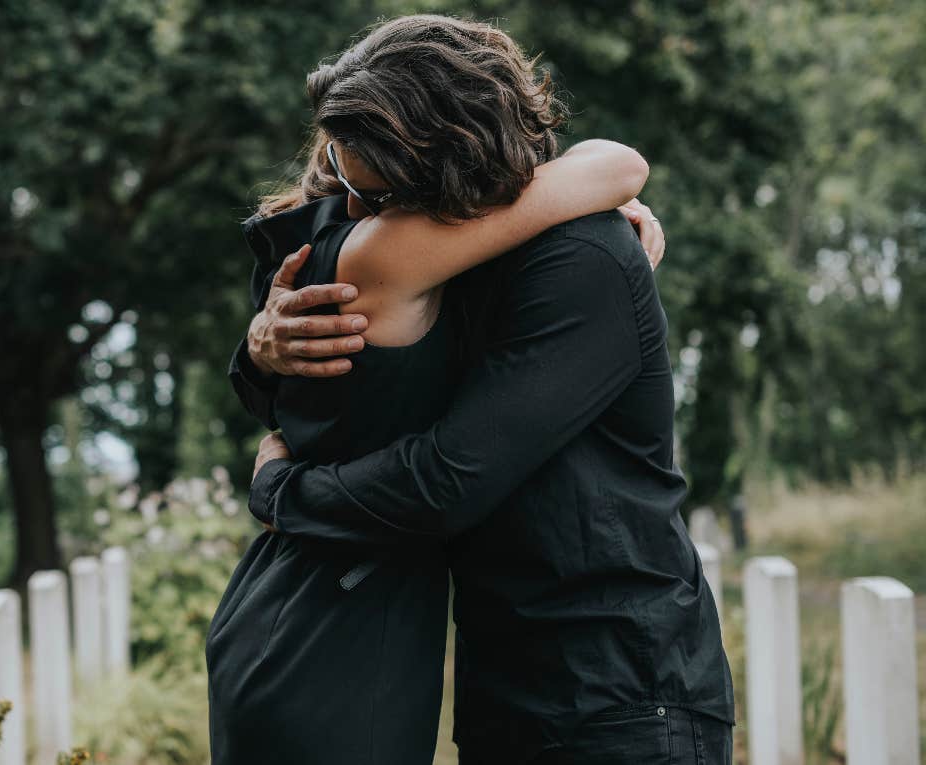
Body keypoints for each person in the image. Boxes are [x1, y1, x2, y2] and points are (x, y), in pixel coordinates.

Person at [233, 15, 735, 765]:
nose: (357, 216)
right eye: (344, 183)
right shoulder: (453, 264)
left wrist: (282, 492)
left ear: (446, 159)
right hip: (508, 691)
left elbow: (446, 480)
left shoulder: (584, 257)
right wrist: (259, 350)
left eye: (376, 194)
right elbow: (342, 402)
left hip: (624, 696)